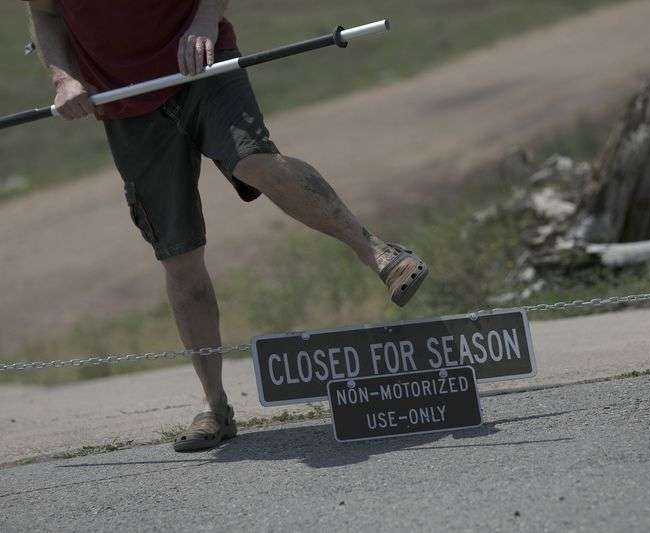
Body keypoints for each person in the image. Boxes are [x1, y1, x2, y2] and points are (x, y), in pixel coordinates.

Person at [26, 0, 428, 452]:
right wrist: (63, 77)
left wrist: (203, 21)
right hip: (126, 105)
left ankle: (378, 253)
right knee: (178, 254)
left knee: (254, 162)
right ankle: (215, 407)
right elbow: (45, 13)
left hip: (204, 65)